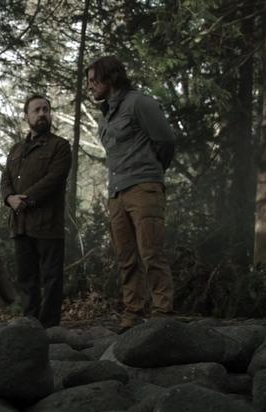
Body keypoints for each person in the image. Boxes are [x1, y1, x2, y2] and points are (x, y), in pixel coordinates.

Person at [87, 55, 176, 330]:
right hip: (116, 193)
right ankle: (133, 312)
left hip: (143, 188)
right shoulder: (106, 116)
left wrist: (150, 173)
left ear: (110, 77)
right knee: (125, 256)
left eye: (94, 80)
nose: (90, 86)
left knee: (151, 252)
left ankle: (162, 313)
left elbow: (166, 141)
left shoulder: (139, 103)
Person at [0, 94, 72, 328]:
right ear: (27, 116)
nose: (42, 114)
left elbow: (54, 179)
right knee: (27, 279)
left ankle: (50, 327)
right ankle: (30, 325)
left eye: (46, 109)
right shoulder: (16, 150)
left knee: (51, 279)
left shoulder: (59, 146)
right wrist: (9, 198)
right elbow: (6, 179)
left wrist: (26, 199)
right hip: (20, 225)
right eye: (37, 110)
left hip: (48, 225)